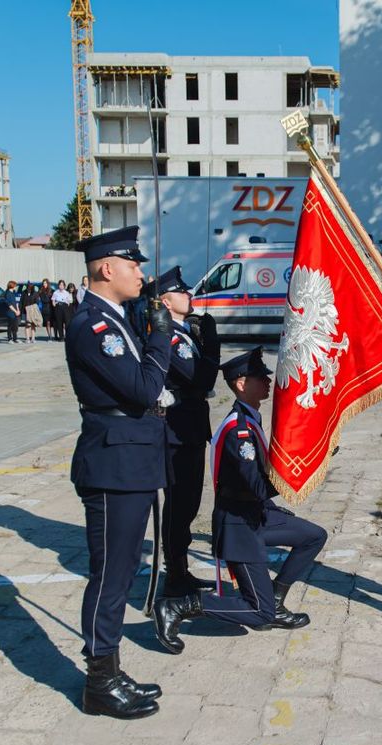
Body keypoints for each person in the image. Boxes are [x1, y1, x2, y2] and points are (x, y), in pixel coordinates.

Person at [152, 347, 329, 653]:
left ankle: (275, 598)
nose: (269, 382)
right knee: (259, 616)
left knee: (314, 536)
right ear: (241, 384)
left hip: (257, 516)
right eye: (261, 378)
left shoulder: (251, 419)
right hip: (238, 528)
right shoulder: (239, 431)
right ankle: (179, 606)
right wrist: (302, 468)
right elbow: (259, 486)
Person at [65, 225, 172, 719]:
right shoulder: (94, 325)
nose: (141, 273)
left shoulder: (115, 318)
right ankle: (99, 682)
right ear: (107, 269)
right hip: (113, 463)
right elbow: (144, 389)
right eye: (134, 265)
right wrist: (161, 336)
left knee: (124, 570)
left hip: (129, 460)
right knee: (109, 577)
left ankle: (110, 667)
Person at [155, 266, 222, 596]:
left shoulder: (184, 332)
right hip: (177, 430)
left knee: (190, 502)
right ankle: (174, 574)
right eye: (182, 292)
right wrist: (212, 346)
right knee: (179, 503)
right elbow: (201, 378)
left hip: (191, 427)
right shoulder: (170, 336)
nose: (189, 295)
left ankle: (180, 569)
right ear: (166, 301)